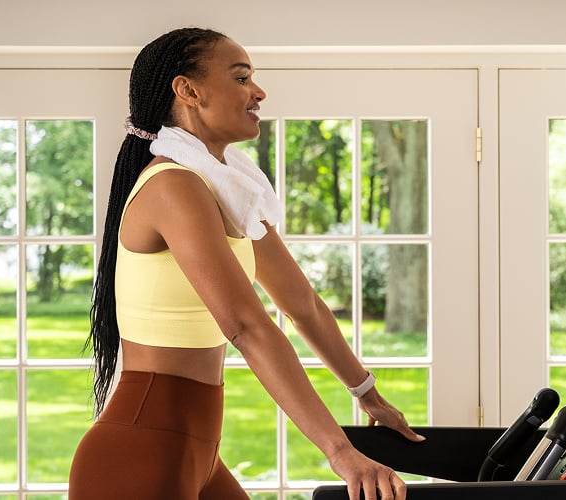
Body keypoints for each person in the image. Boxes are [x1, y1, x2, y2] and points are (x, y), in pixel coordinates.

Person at [68, 27, 424, 500]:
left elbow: (303, 305)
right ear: (187, 90)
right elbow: (246, 326)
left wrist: (366, 394)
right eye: (241, 78)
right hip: (141, 450)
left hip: (197, 453)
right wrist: (339, 451)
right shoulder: (173, 186)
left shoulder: (226, 190)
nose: (258, 91)